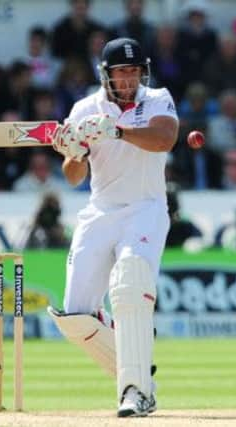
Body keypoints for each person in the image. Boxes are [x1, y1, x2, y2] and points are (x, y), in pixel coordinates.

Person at [46, 37, 178, 417]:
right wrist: (75, 150)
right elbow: (72, 176)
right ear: (106, 74)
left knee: (131, 284)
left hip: (145, 209)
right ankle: (138, 366)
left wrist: (115, 131)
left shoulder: (158, 99)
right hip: (100, 211)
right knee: (74, 318)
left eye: (135, 72)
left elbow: (164, 138)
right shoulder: (84, 108)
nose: (130, 79)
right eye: (122, 72)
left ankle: (136, 393)